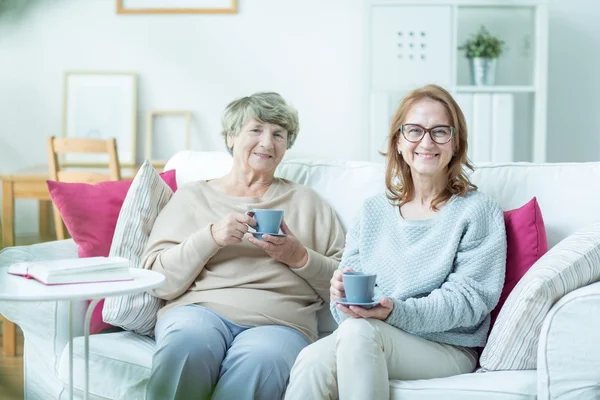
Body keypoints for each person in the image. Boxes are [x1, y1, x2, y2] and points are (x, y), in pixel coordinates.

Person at [285, 84, 507, 400]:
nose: (426, 142)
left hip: (446, 345)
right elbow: (349, 308)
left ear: (455, 143)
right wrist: (341, 295)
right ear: (399, 142)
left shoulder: (477, 210)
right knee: (311, 359)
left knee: (359, 333)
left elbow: (470, 301)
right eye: (414, 131)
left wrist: (393, 312)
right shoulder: (374, 211)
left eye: (440, 131)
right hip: (374, 332)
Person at [143, 92, 345, 400]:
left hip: (280, 323)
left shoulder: (309, 204)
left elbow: (343, 284)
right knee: (187, 343)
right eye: (256, 130)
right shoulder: (192, 196)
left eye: (278, 134)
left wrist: (299, 256)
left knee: (264, 360)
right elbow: (158, 279)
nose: (267, 142)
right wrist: (210, 237)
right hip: (199, 311)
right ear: (230, 137)